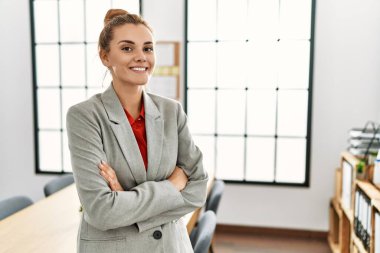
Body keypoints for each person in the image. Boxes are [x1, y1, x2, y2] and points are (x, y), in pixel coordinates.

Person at [66, 9, 208, 253]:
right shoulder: (85, 116)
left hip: (170, 246)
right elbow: (101, 212)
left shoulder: (172, 112)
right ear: (104, 56)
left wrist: (126, 197)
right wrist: (172, 187)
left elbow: (197, 190)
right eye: (127, 48)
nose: (141, 57)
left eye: (148, 48)